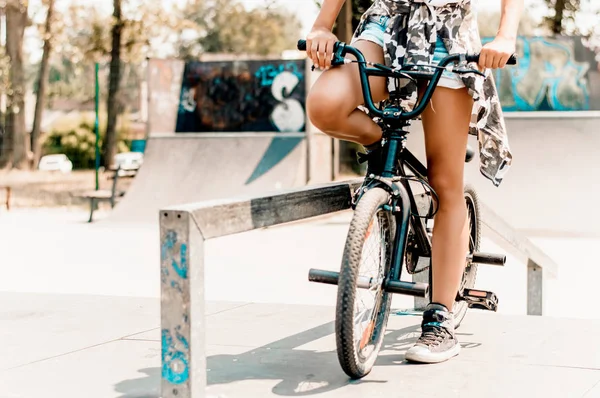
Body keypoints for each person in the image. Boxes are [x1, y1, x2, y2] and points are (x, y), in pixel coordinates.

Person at [305, 0, 522, 364]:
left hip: (449, 34)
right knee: (325, 106)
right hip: (385, 26)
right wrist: (322, 24)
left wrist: (505, 36)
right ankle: (383, 149)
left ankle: (440, 319)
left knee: (445, 183)